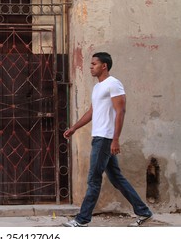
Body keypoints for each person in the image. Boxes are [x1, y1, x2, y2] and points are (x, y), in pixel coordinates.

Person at [62, 52, 152, 227]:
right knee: (117, 178)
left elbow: (121, 111)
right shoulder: (98, 88)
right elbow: (92, 112)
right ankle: (143, 211)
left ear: (104, 66)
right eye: (90, 64)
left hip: (105, 138)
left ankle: (82, 220)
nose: (91, 67)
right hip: (99, 136)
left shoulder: (114, 84)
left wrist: (115, 139)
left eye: (94, 64)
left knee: (93, 180)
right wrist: (74, 128)